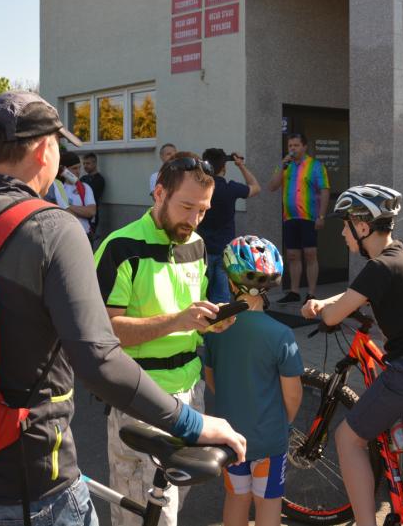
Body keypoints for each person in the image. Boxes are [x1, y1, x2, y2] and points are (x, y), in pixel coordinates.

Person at [0, 92, 244, 526]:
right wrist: (192, 424)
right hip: (28, 481)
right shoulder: (52, 229)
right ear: (44, 151)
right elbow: (99, 358)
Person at [302, 184, 403, 526]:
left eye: (345, 226)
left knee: (348, 439)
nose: (342, 233)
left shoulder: (378, 267)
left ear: (362, 227)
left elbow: (334, 316)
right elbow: (357, 294)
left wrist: (320, 310)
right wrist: (326, 301)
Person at [95, 151, 229, 526]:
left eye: (203, 210)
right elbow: (103, 331)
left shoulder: (196, 244)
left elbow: (188, 318)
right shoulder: (120, 247)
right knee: (151, 517)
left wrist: (208, 323)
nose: (194, 219)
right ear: (159, 194)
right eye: (186, 207)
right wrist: (178, 320)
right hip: (139, 396)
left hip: (190, 394)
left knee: (170, 505)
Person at [205, 235, 303, 526]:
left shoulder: (215, 329)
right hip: (269, 438)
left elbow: (212, 379)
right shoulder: (281, 334)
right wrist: (283, 423)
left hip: (230, 436)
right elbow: (293, 395)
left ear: (231, 282)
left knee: (235, 498)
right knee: (268, 503)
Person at [267, 133, 330, 303]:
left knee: (310, 254)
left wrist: (321, 216)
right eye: (290, 146)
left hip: (309, 217)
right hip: (290, 217)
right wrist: (282, 166)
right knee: (292, 255)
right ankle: (294, 292)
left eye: (296, 145)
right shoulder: (285, 165)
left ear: (304, 147)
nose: (292, 149)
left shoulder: (316, 166)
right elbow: (272, 186)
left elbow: (325, 191)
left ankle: (311, 293)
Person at [197, 148, 261, 303]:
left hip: (202, 249)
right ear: (224, 168)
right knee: (221, 298)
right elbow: (255, 187)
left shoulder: (199, 188)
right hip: (224, 250)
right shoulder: (230, 188)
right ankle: (221, 318)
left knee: (200, 294)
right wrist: (241, 165)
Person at [47, 150, 96, 236]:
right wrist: (79, 210)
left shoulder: (84, 187)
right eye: (74, 168)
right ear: (63, 170)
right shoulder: (56, 187)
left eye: (79, 168)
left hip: (85, 234)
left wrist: (67, 206)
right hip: (66, 235)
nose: (78, 172)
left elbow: (91, 211)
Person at [80, 152, 105, 239]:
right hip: (80, 213)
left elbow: (92, 196)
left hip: (92, 216)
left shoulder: (99, 179)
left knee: (88, 241)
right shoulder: (83, 178)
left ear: (94, 163)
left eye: (88, 163)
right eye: (84, 163)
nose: (85, 166)